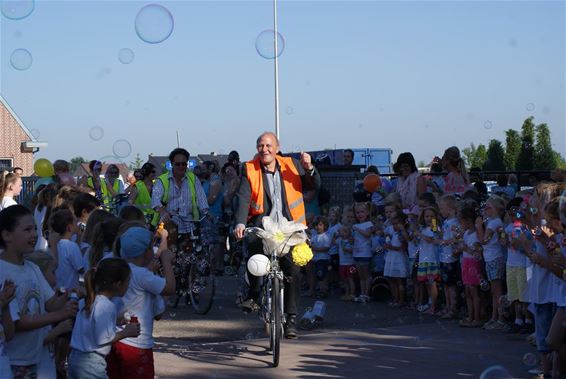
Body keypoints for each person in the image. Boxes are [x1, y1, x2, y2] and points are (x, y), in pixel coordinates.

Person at [234, 131, 320, 339]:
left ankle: (291, 319)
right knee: (254, 252)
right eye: (261, 146)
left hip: (290, 226)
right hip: (263, 226)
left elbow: (314, 186)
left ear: (277, 147)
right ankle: (254, 294)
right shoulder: (249, 169)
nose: (265, 150)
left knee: (293, 269)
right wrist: (240, 223)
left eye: (269, 145)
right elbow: (243, 198)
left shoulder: (293, 164)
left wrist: (309, 168)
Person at [0, 205, 77, 378]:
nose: (34, 234)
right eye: (27, 230)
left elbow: (50, 304)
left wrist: (67, 295)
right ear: (6, 235)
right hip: (14, 360)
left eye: (35, 228)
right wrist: (60, 315)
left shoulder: (32, 268)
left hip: (34, 358)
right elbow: (17, 323)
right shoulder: (2, 271)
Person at [107, 227, 175, 379]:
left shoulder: (119, 268)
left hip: (115, 338)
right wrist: (166, 261)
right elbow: (169, 288)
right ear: (146, 252)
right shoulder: (141, 275)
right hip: (136, 343)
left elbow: (158, 312)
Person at [68, 258, 140, 379]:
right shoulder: (107, 306)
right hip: (91, 363)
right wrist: (126, 333)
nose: (128, 285)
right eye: (128, 282)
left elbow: (90, 327)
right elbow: (103, 339)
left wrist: (115, 321)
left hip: (75, 360)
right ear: (118, 284)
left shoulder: (88, 301)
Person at [151, 148, 209, 232]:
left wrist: (207, 212)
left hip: (190, 226)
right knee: (171, 244)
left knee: (195, 244)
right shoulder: (162, 180)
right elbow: (155, 201)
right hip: (169, 225)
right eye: (178, 164)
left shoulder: (193, 179)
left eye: (184, 164)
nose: (181, 167)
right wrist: (163, 212)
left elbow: (201, 199)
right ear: (172, 164)